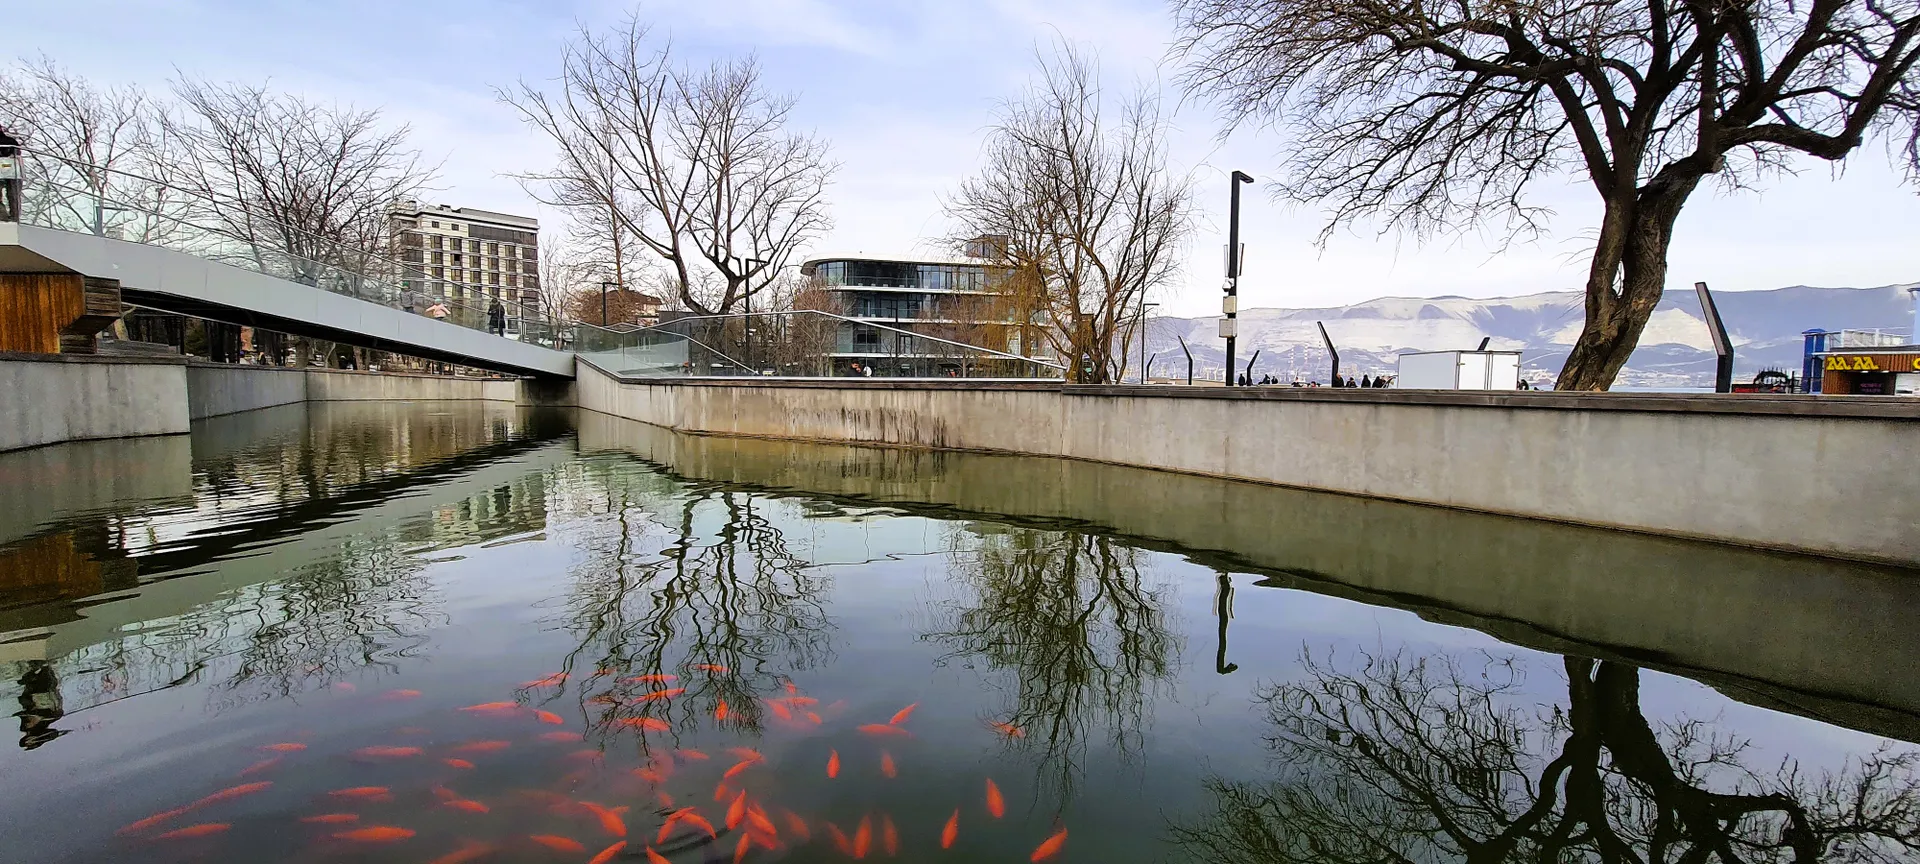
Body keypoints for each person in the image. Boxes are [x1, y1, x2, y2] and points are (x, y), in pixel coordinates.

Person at [0, 126, 20, 223]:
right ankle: (9, 217)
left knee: (13, 196)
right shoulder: (10, 141)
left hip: (11, 171)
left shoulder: (10, 141)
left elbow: (16, 155)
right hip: (11, 171)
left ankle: (9, 218)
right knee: (13, 196)